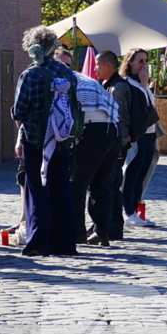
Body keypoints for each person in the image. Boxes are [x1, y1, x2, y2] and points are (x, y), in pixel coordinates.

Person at [10, 26, 78, 257]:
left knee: (37, 190)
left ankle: (39, 243)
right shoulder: (67, 72)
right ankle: (65, 243)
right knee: (61, 189)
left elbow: (19, 110)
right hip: (61, 139)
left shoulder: (30, 74)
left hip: (35, 139)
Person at [53, 48, 120, 247]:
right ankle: (101, 231)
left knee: (77, 183)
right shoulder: (85, 78)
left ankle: (76, 232)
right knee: (101, 184)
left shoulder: (60, 81)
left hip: (93, 129)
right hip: (112, 129)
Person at [120, 48, 158, 228]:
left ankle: (136, 211)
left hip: (150, 134)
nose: (144, 64)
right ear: (130, 63)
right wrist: (144, 85)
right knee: (132, 175)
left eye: (146, 61)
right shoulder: (128, 84)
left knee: (142, 176)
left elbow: (152, 108)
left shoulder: (143, 84)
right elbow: (144, 109)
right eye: (140, 61)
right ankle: (128, 212)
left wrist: (145, 85)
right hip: (137, 136)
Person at [96, 50, 132, 242]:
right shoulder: (108, 85)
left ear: (108, 66)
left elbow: (119, 118)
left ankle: (113, 228)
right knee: (108, 185)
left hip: (116, 144)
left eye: (98, 64)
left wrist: (118, 144)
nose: (95, 68)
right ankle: (105, 226)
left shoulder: (117, 88)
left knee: (111, 186)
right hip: (113, 143)